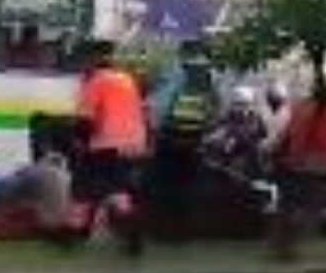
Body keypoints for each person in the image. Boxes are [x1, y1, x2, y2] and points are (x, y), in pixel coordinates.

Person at [74, 40, 149, 254]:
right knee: (117, 185)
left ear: (92, 60)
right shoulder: (126, 79)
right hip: (134, 143)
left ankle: (77, 229)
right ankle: (130, 222)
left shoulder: (95, 81)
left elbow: (84, 122)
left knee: (86, 183)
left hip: (108, 142)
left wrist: (80, 142)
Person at [270, 69, 326, 262]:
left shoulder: (309, 108)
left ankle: (284, 245)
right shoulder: (315, 109)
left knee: (296, 206)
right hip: (312, 165)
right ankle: (286, 246)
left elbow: (289, 136)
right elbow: (296, 136)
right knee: (307, 207)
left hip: (307, 164)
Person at [146, 40, 222, 239]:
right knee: (187, 184)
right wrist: (205, 129)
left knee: (163, 182)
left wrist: (153, 128)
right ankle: (183, 230)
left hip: (171, 135)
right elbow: (216, 108)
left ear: (185, 52)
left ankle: (164, 231)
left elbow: (160, 105)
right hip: (194, 137)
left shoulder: (178, 72)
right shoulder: (211, 76)